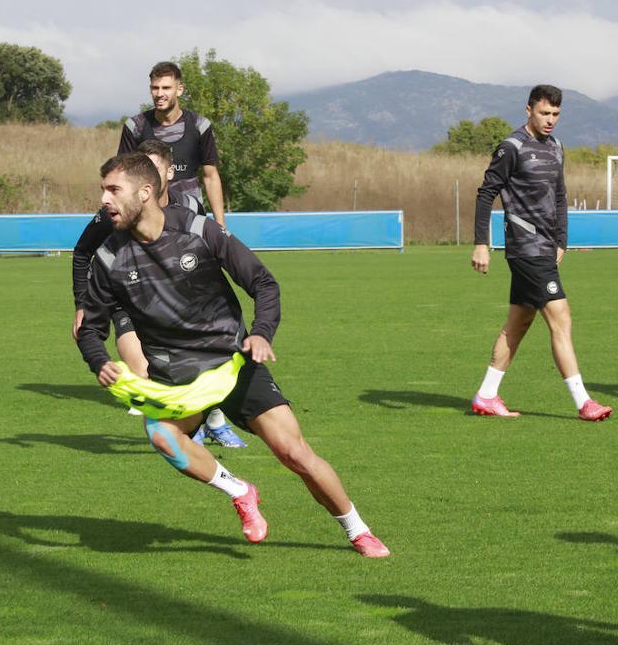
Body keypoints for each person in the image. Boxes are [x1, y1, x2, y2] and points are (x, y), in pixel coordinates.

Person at [76, 152, 389, 557]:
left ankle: (357, 529)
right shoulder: (108, 258)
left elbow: (263, 283)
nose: (104, 199)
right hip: (177, 377)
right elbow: (90, 327)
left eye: (114, 189)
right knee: (161, 436)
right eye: (103, 189)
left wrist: (260, 334)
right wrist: (99, 362)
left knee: (294, 453)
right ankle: (240, 490)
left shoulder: (198, 231)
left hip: (234, 362)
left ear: (146, 192)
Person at [72, 139, 247, 448]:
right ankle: (175, 431)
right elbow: (82, 253)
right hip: (128, 300)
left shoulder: (190, 207)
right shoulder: (113, 213)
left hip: (180, 300)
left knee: (206, 361)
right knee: (143, 370)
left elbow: (204, 250)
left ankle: (212, 422)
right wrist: (81, 305)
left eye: (155, 167)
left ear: (168, 173)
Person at [469, 85, 613, 421]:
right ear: (529, 110)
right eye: (544, 113)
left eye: (556, 114)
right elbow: (485, 193)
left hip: (546, 248)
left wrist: (561, 240)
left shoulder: (557, 147)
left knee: (518, 323)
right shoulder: (511, 147)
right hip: (524, 247)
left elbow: (560, 196)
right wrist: (481, 243)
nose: (550, 120)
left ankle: (486, 395)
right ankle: (583, 402)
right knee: (561, 316)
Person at [118, 61, 227, 227]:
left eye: (166, 88)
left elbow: (210, 177)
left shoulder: (199, 126)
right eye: (155, 88)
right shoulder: (135, 127)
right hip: (149, 219)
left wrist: (221, 226)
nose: (159, 93)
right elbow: (124, 177)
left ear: (180, 89)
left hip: (190, 218)